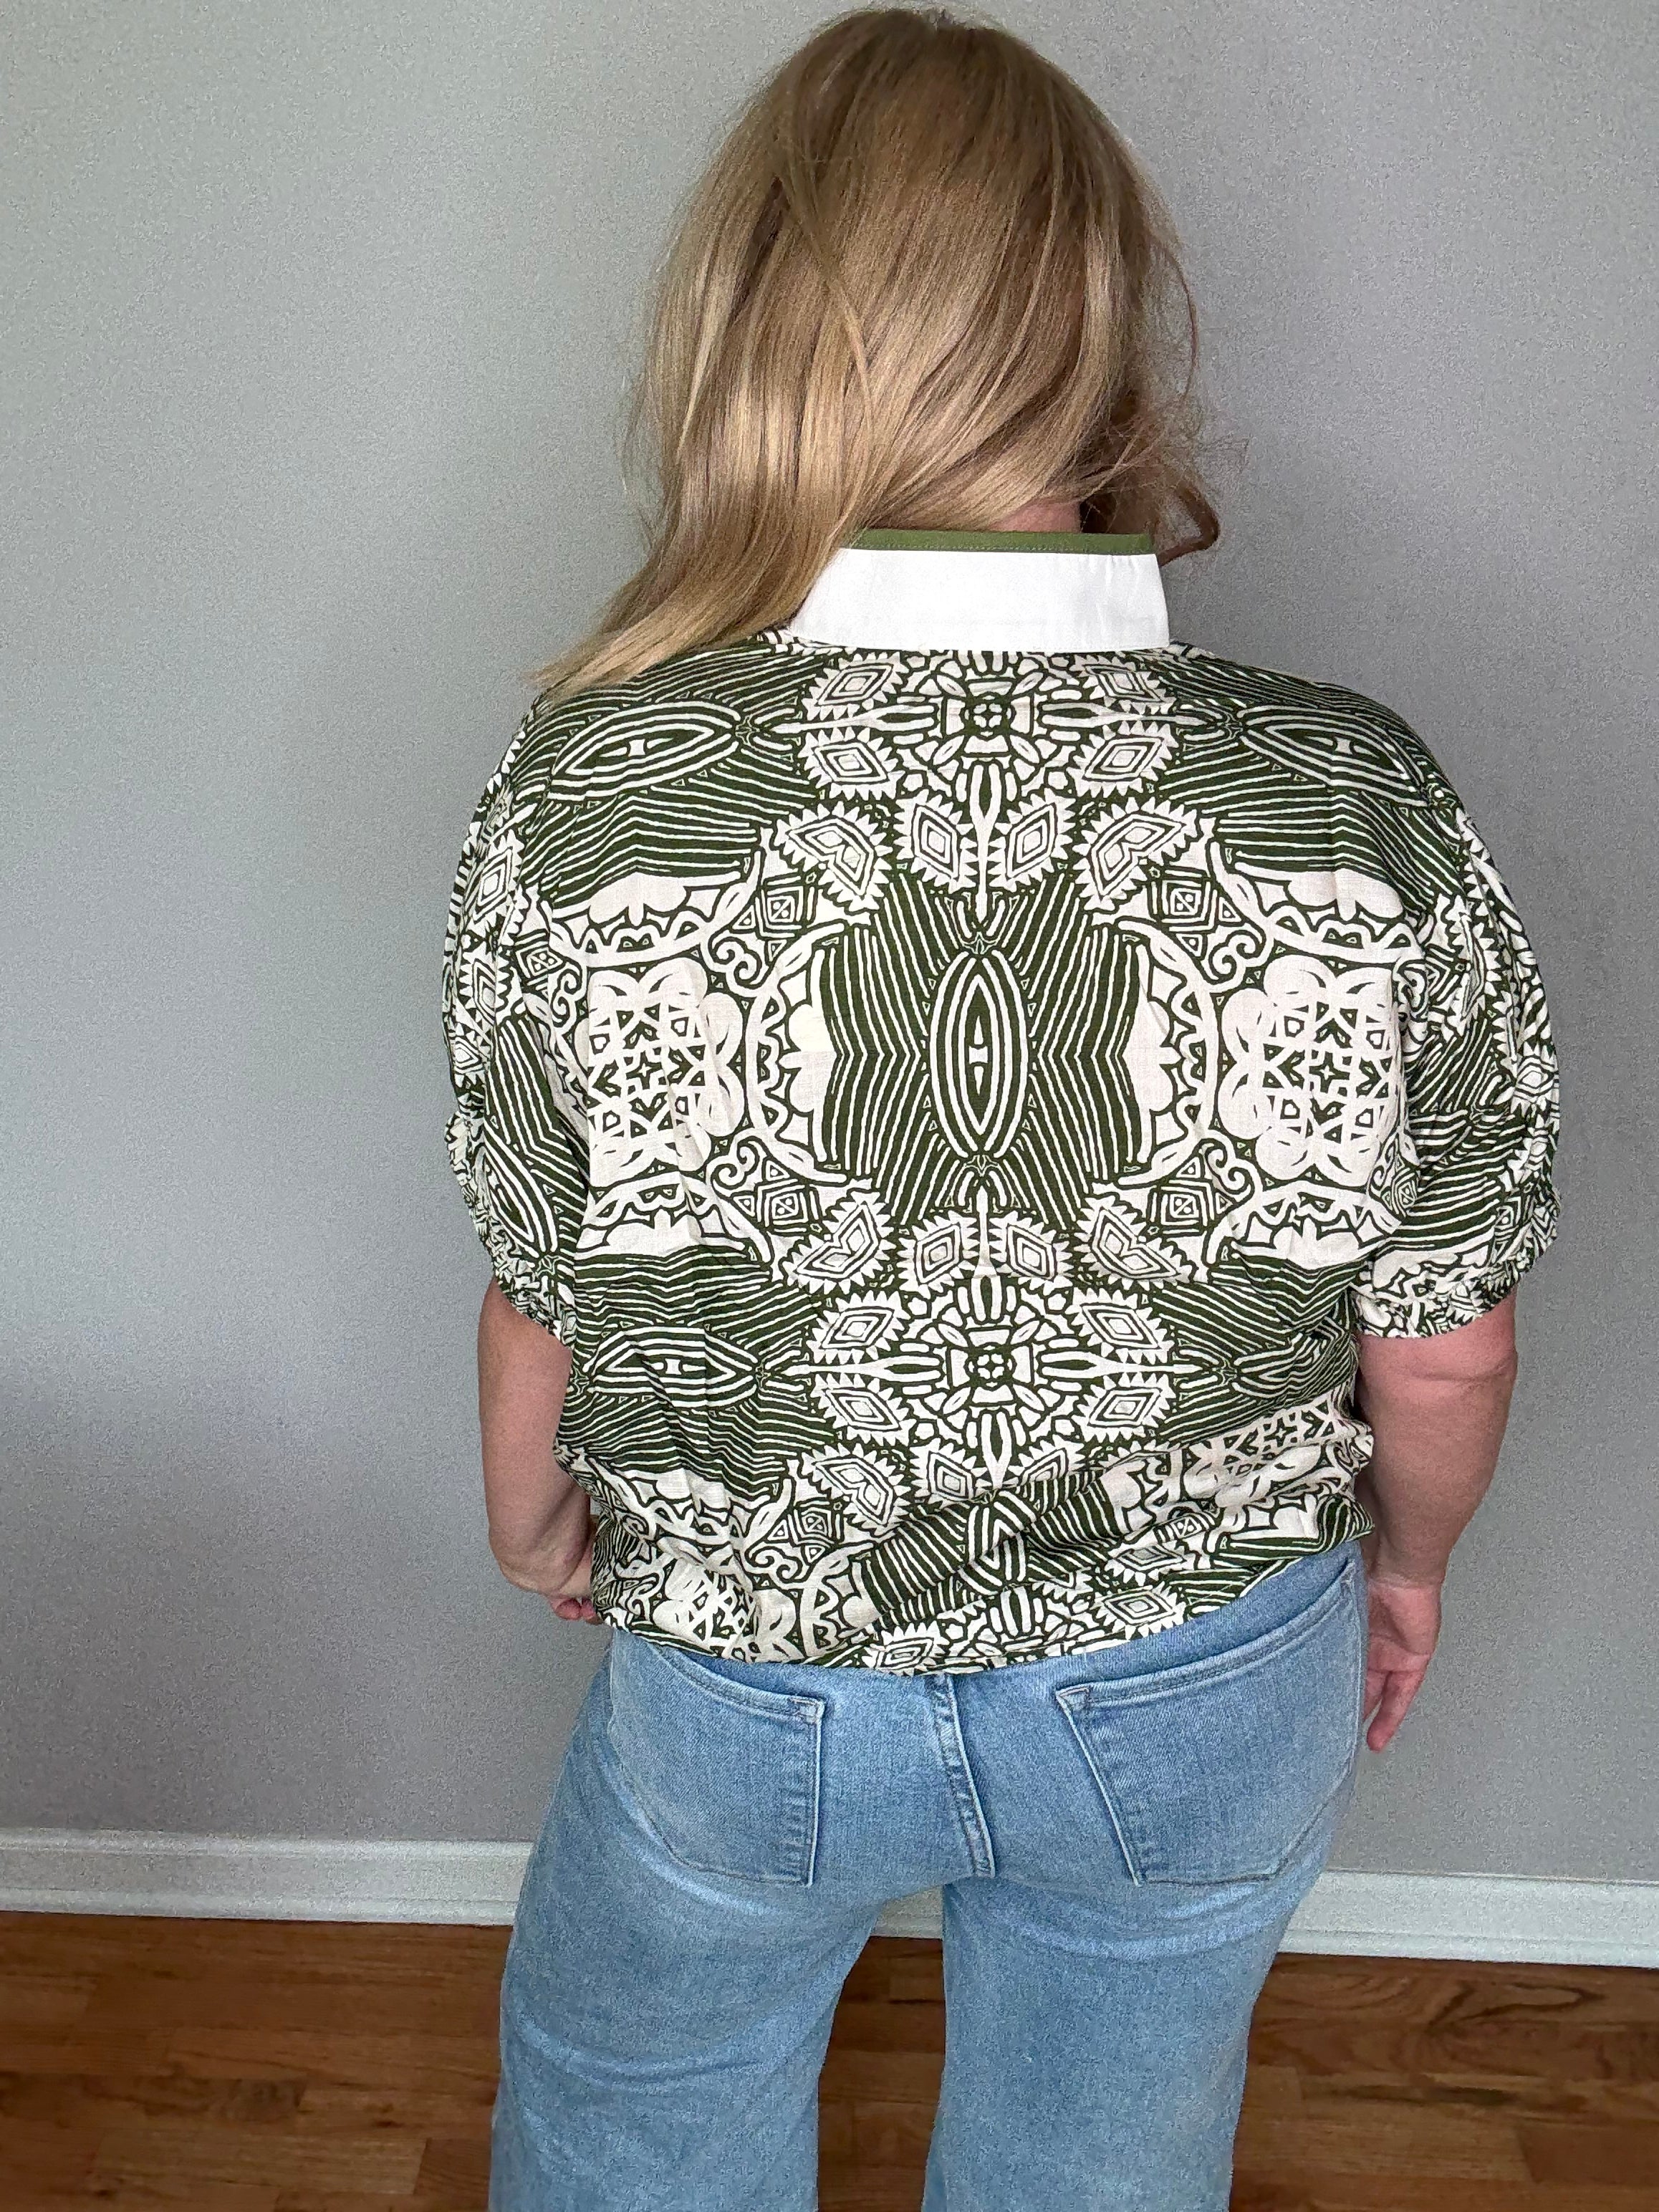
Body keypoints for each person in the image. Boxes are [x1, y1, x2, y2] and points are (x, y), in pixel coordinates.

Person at [439, 11, 1560, 2209]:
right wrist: (1406, 1567)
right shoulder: (1343, 789)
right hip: (1204, 1659)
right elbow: (1446, 1341)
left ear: (750, 336)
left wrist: (528, 1524)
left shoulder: (592, 792)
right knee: (1100, 2156)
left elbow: (543, 1285)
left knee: (636, 2106)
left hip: (746, 1662)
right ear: (1103, 351)